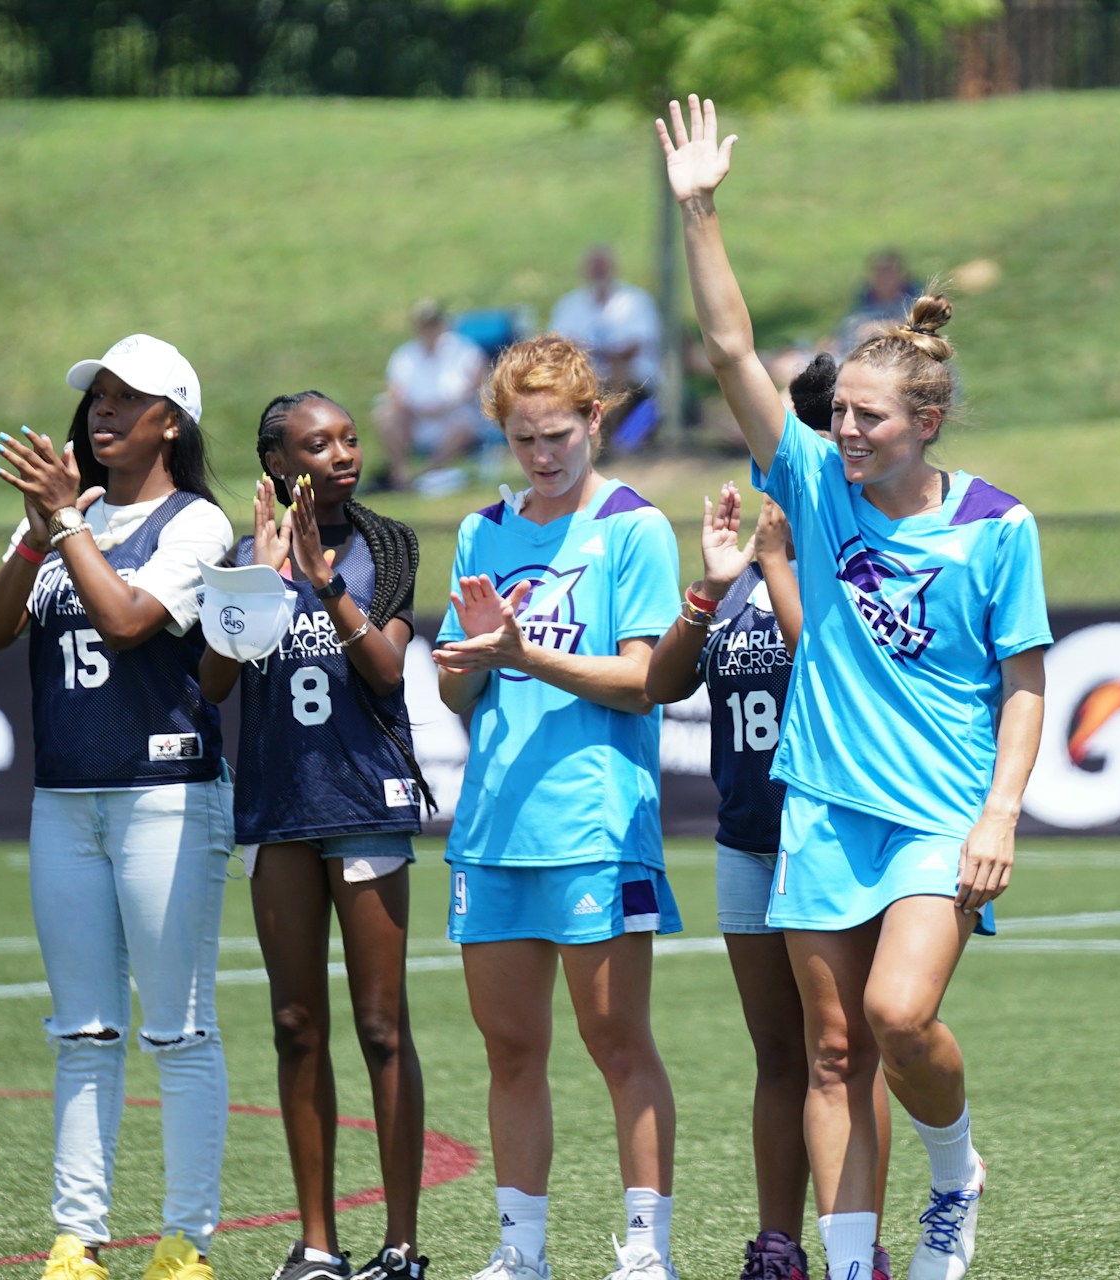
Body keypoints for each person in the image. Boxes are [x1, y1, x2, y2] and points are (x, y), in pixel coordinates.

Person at [661, 96, 1051, 1280]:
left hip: (939, 814)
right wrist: (700, 212)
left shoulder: (998, 526)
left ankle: (954, 1167)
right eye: (837, 415)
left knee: (896, 1015)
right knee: (830, 1053)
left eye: (867, 418)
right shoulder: (816, 487)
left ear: (925, 421)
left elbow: (1025, 682)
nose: (844, 433)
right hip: (823, 807)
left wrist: (1000, 813)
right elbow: (731, 352)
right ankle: (849, 1264)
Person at [0, 334, 234, 1280]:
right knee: (81, 1029)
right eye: (98, 398)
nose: (104, 412)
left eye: (127, 398)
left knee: (178, 1026)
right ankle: (77, 1238)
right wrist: (38, 531)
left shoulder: (197, 523)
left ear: (173, 422)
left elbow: (125, 624)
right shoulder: (64, 518)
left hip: (166, 796)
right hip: (65, 801)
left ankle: (185, 1241)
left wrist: (66, 526)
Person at [433, 336, 683, 1280]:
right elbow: (461, 689)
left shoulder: (634, 530)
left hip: (595, 828)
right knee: (509, 1050)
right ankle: (520, 1251)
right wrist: (464, 661)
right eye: (524, 439)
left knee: (617, 1042)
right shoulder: (481, 532)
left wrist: (520, 651)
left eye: (558, 435)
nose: (542, 455)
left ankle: (647, 1251)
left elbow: (645, 680)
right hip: (494, 830)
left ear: (594, 421)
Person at [197, 393, 431, 1280]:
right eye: (318, 444)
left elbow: (387, 670)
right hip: (278, 806)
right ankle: (318, 1244)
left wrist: (322, 580)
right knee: (295, 1024)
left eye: (349, 439)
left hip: (364, 800)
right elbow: (214, 683)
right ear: (277, 463)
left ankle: (401, 1246)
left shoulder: (390, 545)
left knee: (381, 1026)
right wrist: (257, 582)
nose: (342, 454)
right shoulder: (240, 552)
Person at [642, 477, 895, 1278]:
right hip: (745, 840)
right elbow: (661, 684)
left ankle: (860, 1246)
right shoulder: (739, 574)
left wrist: (782, 560)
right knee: (777, 1053)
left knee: (846, 1051)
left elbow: (826, 665)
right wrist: (708, 588)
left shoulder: (847, 561)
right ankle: (778, 1245)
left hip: (825, 840)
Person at [548, 247, 662, 449]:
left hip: (633, 376)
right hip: (584, 372)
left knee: (618, 371)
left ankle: (609, 435)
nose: (599, 272)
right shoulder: (569, 305)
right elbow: (557, 345)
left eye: (602, 267)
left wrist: (595, 352)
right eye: (595, 267)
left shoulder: (635, 301)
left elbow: (634, 347)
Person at [377, 299, 488, 495]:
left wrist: (448, 404)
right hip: (415, 418)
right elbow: (395, 391)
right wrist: (415, 409)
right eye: (424, 324)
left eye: (433, 323)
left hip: (455, 414)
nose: (429, 328)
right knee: (384, 414)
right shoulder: (405, 355)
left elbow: (481, 381)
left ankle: (429, 471)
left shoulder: (464, 349)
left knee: (464, 424)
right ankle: (400, 473)